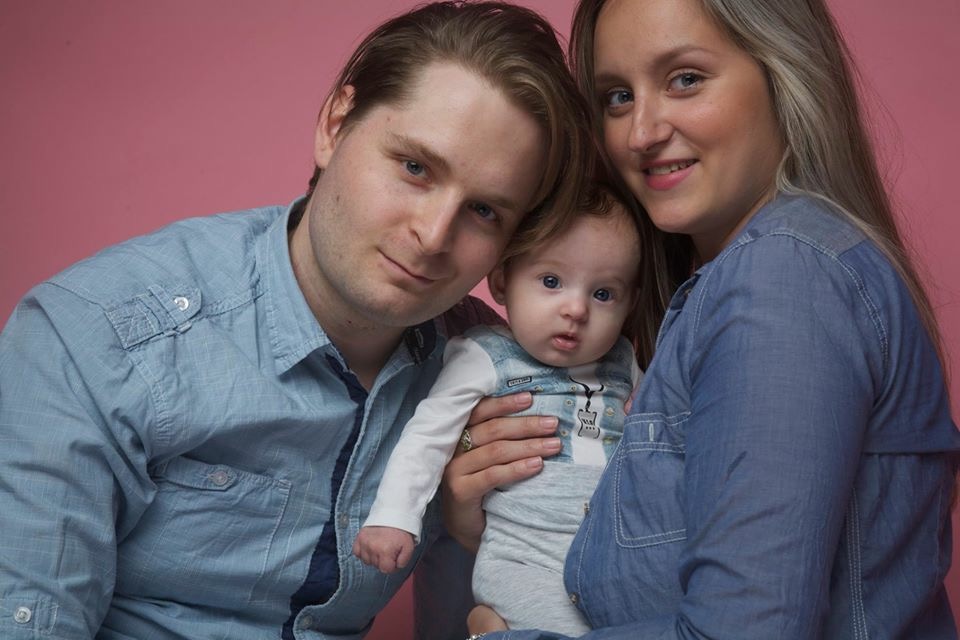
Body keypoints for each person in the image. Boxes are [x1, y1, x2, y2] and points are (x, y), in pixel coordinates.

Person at [0, 3, 597, 639]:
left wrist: (472, 526)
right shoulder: (97, 335)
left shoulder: (493, 369)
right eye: (415, 167)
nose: (432, 235)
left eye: (483, 211)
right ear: (335, 125)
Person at [454, 0, 960, 637]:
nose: (640, 133)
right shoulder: (741, 281)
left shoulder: (781, 278)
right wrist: (486, 511)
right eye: (617, 96)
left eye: (685, 79)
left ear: (783, 74)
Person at [354, 186, 643, 635]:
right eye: (551, 281)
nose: (576, 309)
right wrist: (394, 517)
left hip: (616, 551)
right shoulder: (486, 354)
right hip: (526, 556)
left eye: (603, 293)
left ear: (629, 304)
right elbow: (428, 435)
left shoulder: (624, 361)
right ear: (503, 281)